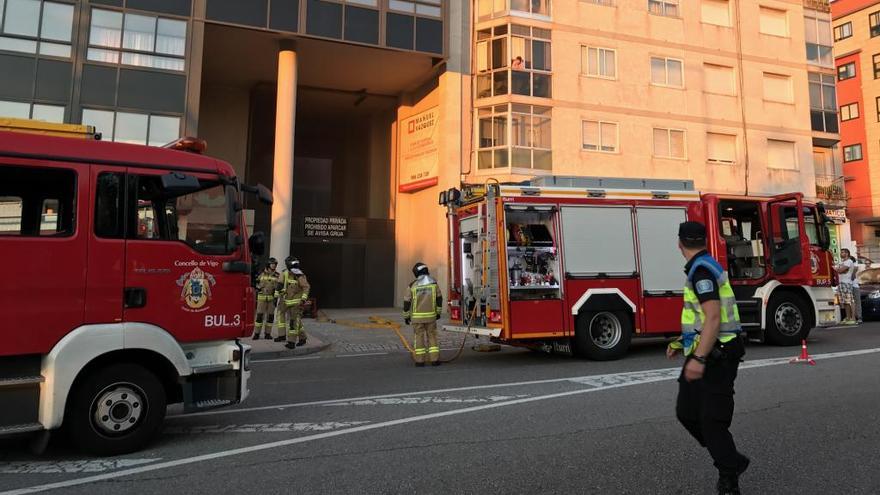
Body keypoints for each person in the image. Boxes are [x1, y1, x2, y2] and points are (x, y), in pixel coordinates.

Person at [667, 221, 749, 495]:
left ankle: (729, 476)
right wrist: (682, 343)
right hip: (707, 350)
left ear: (679, 244)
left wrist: (698, 359)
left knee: (711, 420)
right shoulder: (703, 266)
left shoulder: (702, 271)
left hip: (718, 354)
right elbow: (703, 319)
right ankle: (730, 459)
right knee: (687, 413)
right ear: (704, 240)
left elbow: (713, 317)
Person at [403, 262, 443, 367]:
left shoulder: (412, 285)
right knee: (432, 337)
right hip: (431, 317)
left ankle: (420, 361)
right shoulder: (434, 283)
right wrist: (438, 313)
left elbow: (407, 302)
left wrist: (406, 316)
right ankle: (435, 360)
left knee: (419, 338)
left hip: (417, 318)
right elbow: (439, 299)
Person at [276, 256, 311, 349]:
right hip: (286, 300)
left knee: (293, 322)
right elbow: (279, 285)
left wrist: (303, 299)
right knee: (293, 321)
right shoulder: (284, 273)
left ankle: (291, 342)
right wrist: (277, 295)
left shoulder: (300, 275)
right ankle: (302, 338)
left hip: (297, 303)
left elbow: (306, 287)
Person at [253, 257, 281, 339]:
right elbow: (255, 283)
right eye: (272, 264)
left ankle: (267, 334)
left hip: (272, 300)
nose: (274, 266)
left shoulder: (278, 275)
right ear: (268, 265)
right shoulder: (261, 274)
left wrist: (276, 297)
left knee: (270, 317)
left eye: (275, 264)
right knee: (259, 317)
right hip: (262, 299)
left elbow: (279, 287)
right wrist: (260, 288)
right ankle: (257, 334)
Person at [835, 249, 855, 324]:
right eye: (841, 252)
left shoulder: (849, 261)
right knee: (845, 302)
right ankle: (848, 318)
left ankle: (853, 318)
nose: (841, 254)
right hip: (841, 283)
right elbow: (838, 269)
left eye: (842, 252)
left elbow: (840, 270)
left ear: (847, 254)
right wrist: (837, 268)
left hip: (847, 283)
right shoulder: (842, 262)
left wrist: (836, 268)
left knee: (850, 300)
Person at [850, 252, 862, 324]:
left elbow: (853, 276)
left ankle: (859, 317)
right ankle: (853, 317)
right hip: (850, 286)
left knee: (857, 302)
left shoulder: (855, 266)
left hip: (855, 286)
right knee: (851, 302)